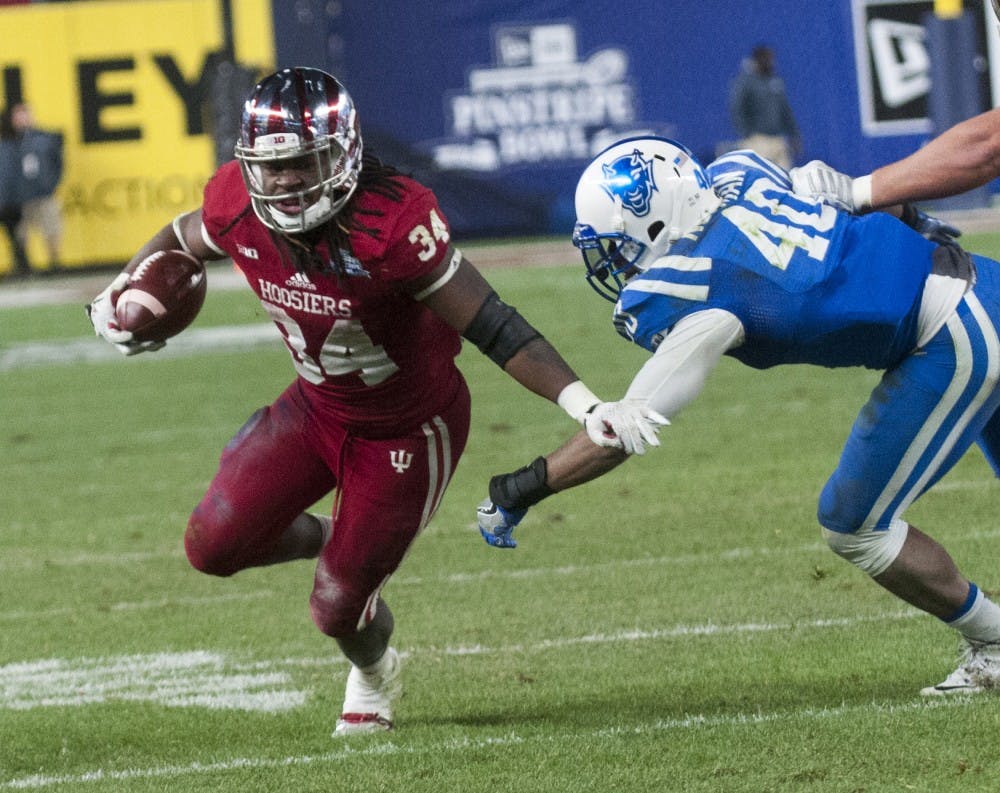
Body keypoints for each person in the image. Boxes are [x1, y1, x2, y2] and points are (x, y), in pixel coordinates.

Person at [85, 68, 662, 736]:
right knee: (212, 544)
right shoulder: (236, 200)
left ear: (340, 154)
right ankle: (340, 540)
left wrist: (584, 404)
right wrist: (123, 290)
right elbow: (185, 239)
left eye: (300, 162)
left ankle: (374, 667)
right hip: (318, 408)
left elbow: (493, 323)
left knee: (336, 606)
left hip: (408, 431)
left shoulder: (391, 222)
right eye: (268, 168)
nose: (282, 182)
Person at [475, 136, 1000, 697]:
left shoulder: (695, 286)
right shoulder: (741, 174)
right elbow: (859, 198)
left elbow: (626, 425)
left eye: (619, 245)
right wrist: (918, 220)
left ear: (656, 223)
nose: (616, 262)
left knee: (854, 525)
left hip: (955, 336)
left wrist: (522, 488)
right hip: (983, 280)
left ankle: (992, 642)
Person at [7, 102, 63, 273]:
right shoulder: (10, 140)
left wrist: (51, 184)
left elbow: (58, 164)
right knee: (20, 232)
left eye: (24, 114)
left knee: (51, 227)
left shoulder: (44, 138)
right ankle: (23, 265)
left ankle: (55, 263)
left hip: (43, 192)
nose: (21, 119)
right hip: (20, 195)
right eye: (18, 116)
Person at [729, 45, 801, 170]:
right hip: (758, 140)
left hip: (778, 140)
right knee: (760, 179)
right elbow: (738, 109)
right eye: (766, 58)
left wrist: (794, 134)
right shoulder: (746, 82)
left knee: (784, 178)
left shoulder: (776, 81)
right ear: (757, 60)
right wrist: (748, 135)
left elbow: (785, 111)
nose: (770, 62)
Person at [0, 105, 30, 278]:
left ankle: (23, 268)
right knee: (15, 236)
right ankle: (22, 267)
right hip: (7, 200)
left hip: (9, 201)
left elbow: (10, 176)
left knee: (16, 237)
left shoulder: (8, 146)